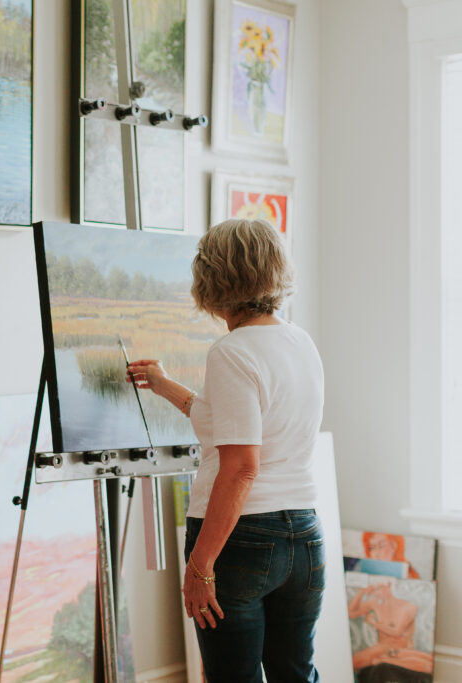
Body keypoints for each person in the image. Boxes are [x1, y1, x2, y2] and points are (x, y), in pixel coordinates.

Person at [127, 219, 325, 682]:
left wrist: (200, 565)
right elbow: (231, 423)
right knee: (296, 675)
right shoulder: (300, 342)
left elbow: (240, 469)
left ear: (212, 278)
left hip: (242, 541)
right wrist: (162, 384)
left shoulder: (232, 351)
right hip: (304, 537)